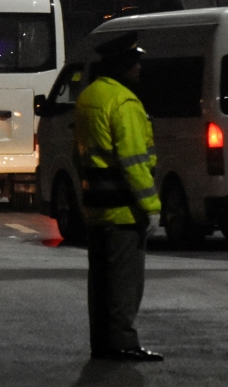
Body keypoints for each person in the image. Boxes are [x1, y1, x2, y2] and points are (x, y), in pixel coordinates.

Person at [74, 31, 163, 362]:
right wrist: (151, 207)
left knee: (100, 283)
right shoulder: (123, 102)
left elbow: (78, 155)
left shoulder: (89, 97)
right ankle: (123, 343)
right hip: (123, 211)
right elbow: (133, 162)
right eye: (135, 62)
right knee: (125, 285)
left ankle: (103, 343)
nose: (139, 68)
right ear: (122, 66)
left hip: (97, 207)